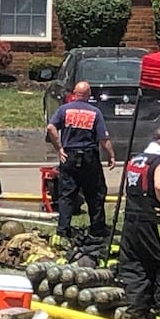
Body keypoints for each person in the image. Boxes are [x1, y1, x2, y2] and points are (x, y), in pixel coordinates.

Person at [118, 127, 160, 319]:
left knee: (137, 266)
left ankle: (136, 314)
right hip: (154, 220)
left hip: (131, 221)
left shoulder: (135, 160)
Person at [45, 81, 116, 240]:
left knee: (67, 195)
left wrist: (59, 148)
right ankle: (97, 230)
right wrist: (111, 155)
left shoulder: (64, 110)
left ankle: (63, 230)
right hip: (89, 157)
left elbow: (51, 127)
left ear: (75, 94)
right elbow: (103, 138)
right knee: (95, 193)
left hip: (69, 156)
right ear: (88, 95)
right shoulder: (94, 112)